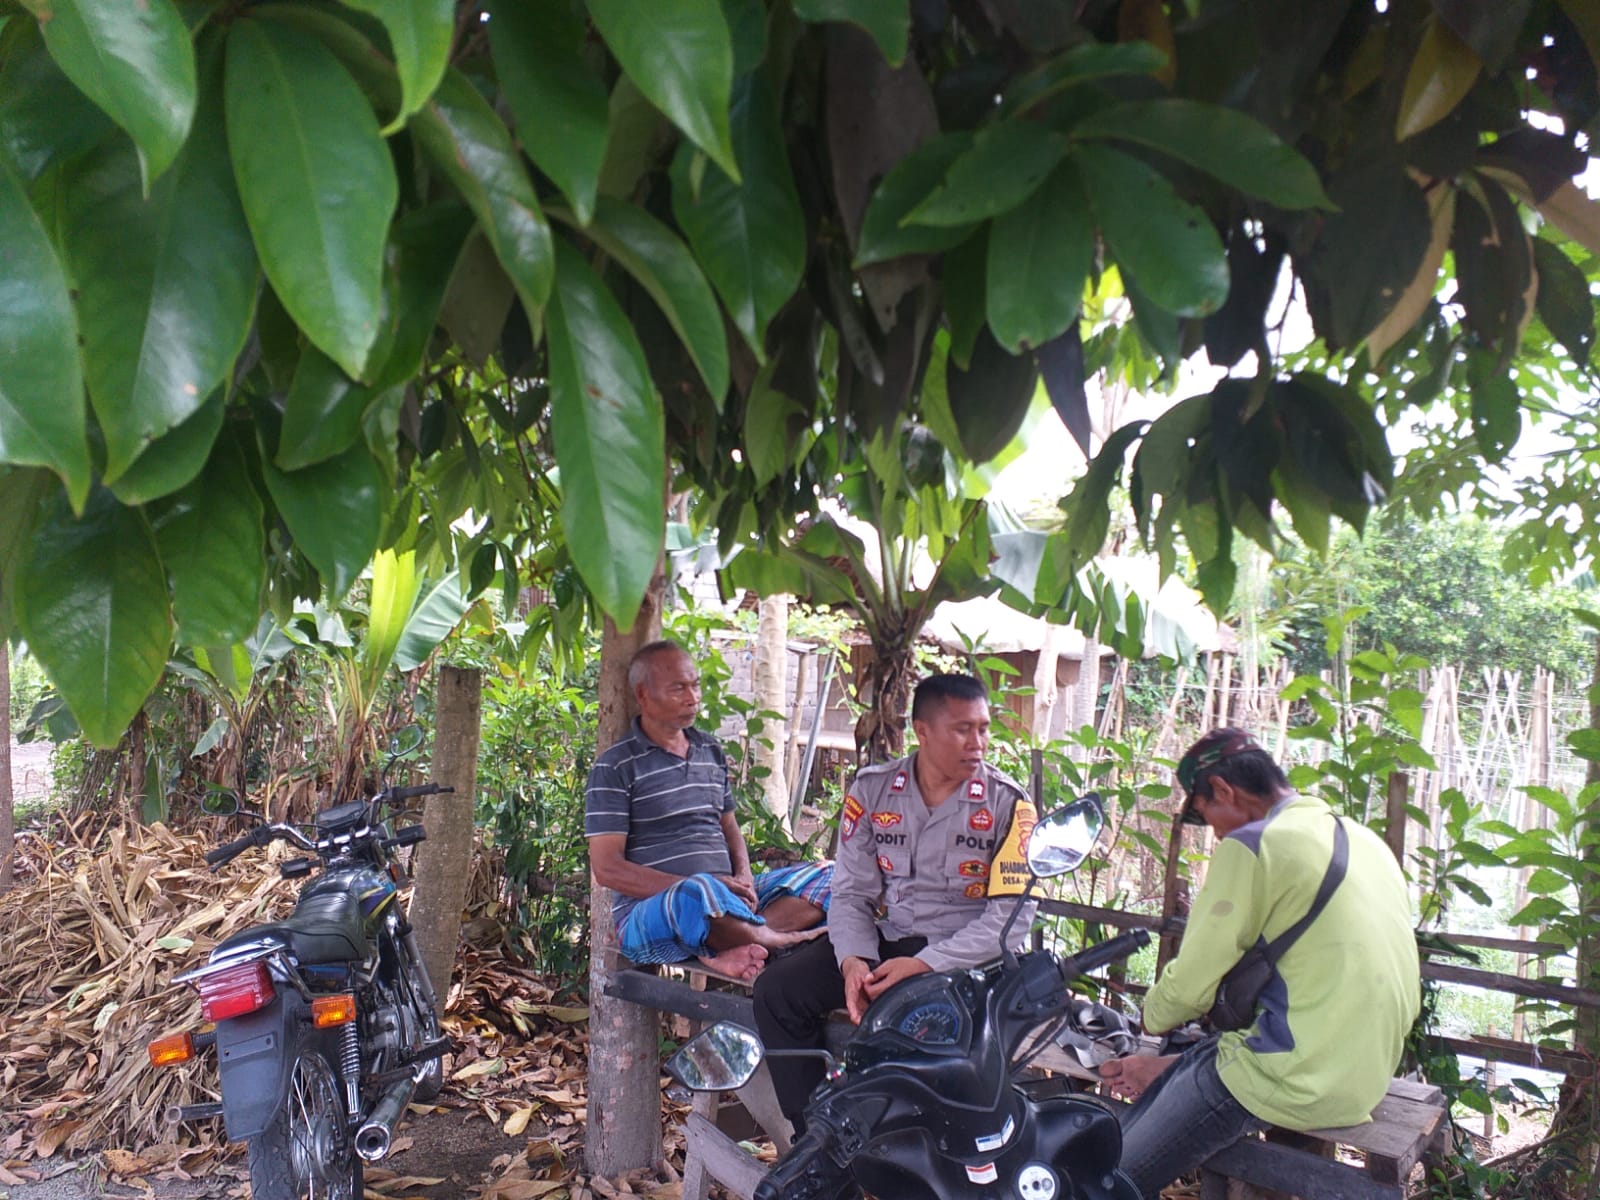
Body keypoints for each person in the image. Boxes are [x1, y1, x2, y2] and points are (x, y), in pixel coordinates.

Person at [1098, 728, 1421, 1198]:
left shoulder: (1255, 844)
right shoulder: (1365, 841)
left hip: (1292, 1076)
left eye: (1209, 815)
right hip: (1361, 1075)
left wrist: (1150, 1017)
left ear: (1224, 790)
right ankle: (1166, 1070)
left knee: (1112, 1177)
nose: (1217, 833)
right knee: (1214, 1054)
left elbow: (1189, 988)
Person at [752, 672, 1038, 1133]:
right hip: (891, 944)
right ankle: (816, 1139)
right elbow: (850, 894)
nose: (978, 742)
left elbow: (1009, 922)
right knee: (778, 991)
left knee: (912, 1020)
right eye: (963, 729)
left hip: (966, 962)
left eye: (984, 728)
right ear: (922, 731)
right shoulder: (873, 791)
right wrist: (853, 962)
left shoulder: (1008, 804)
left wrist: (925, 965)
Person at [584, 640, 831, 982]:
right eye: (678, 688)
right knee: (696, 893)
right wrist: (707, 887)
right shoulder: (616, 767)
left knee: (834, 875)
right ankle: (761, 937)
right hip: (654, 913)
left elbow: (729, 828)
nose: (693, 697)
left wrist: (743, 876)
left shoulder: (708, 749)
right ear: (643, 695)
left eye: (695, 684)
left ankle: (730, 945)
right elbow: (607, 869)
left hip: (727, 900)